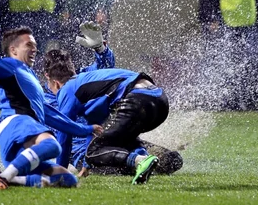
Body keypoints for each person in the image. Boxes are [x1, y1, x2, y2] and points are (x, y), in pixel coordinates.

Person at [0, 22, 183, 177]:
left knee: (169, 161)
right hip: (98, 148)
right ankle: (139, 156)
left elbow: (106, 70)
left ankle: (139, 155)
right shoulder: (47, 98)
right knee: (157, 162)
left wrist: (101, 50)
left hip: (103, 146)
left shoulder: (70, 87)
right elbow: (11, 119)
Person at [0, 19, 102, 190]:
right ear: (13, 50)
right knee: (51, 145)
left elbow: (52, 117)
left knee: (67, 179)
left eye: (35, 44)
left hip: (18, 141)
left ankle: (7, 177)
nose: (35, 48)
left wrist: (86, 130)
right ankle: (5, 177)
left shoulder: (29, 77)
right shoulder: (11, 66)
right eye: (29, 44)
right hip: (18, 123)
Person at [47, 54, 171, 184]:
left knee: (93, 152)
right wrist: (86, 166)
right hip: (160, 100)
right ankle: (145, 159)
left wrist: (60, 172)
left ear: (55, 84)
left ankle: (139, 160)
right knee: (123, 138)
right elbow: (96, 129)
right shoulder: (85, 81)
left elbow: (64, 133)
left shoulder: (66, 90)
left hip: (137, 100)